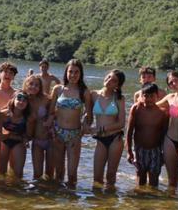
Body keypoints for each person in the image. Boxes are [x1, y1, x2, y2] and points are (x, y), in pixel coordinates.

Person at [50, 59, 92, 187]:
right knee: (59, 173)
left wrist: (84, 127)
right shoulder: (58, 89)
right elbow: (51, 112)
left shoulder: (84, 92)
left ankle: (72, 202)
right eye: (70, 72)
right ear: (66, 73)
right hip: (58, 133)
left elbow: (89, 115)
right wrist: (52, 130)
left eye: (76, 72)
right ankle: (59, 204)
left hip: (74, 135)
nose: (73, 75)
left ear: (81, 74)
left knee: (72, 175)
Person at [127, 83, 168, 187]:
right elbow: (129, 131)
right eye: (146, 96)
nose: (148, 99)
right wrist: (129, 151)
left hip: (156, 150)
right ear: (141, 96)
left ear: (157, 97)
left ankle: (153, 201)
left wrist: (163, 153)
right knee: (140, 180)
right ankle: (140, 202)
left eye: (152, 96)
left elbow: (164, 134)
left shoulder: (162, 112)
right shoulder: (136, 109)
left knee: (154, 182)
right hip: (139, 149)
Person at [91, 70, 126, 188]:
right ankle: (99, 204)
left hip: (115, 139)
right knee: (97, 177)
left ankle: (110, 202)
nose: (109, 80)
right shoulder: (94, 95)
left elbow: (121, 123)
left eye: (114, 80)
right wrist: (86, 126)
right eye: (109, 76)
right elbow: (87, 114)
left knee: (110, 176)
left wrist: (103, 128)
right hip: (100, 139)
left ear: (118, 85)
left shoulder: (119, 98)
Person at [156, 71, 178, 192]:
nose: (174, 84)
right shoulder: (170, 98)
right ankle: (171, 206)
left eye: (176, 80)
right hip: (170, 139)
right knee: (172, 179)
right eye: (170, 83)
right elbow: (151, 106)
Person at [23, 75, 54, 180]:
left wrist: (50, 118)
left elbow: (56, 112)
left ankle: (48, 195)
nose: (34, 87)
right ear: (26, 84)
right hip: (36, 141)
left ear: (40, 87)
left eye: (37, 85)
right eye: (31, 84)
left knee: (50, 174)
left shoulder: (46, 99)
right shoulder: (23, 100)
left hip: (50, 140)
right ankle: (37, 195)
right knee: (37, 175)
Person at [0, 92, 34, 179]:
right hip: (4, 141)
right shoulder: (3, 114)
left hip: (18, 142)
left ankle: (17, 189)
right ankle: (0, 190)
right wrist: (11, 135)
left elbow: (29, 136)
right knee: (1, 171)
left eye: (25, 100)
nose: (21, 102)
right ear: (13, 99)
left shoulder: (28, 118)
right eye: (19, 99)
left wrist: (21, 138)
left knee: (18, 173)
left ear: (27, 104)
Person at [0, 62, 18, 170]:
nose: (7, 75)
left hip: (10, 128)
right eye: (5, 72)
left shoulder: (15, 93)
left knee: (12, 161)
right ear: (0, 74)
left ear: (13, 77)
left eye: (11, 73)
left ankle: (8, 184)